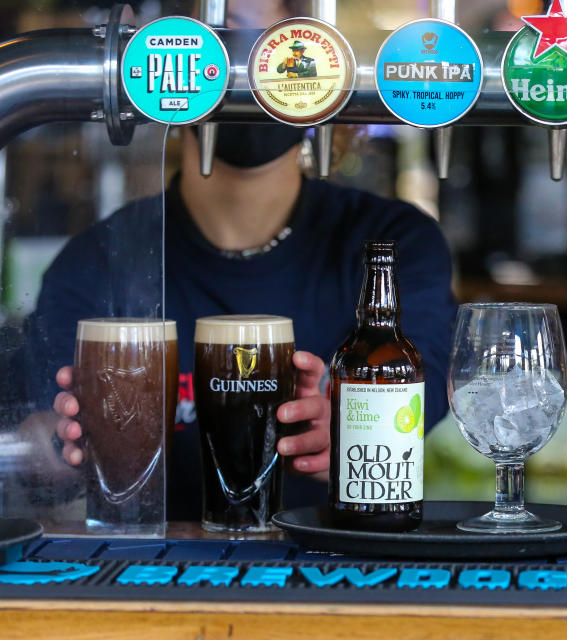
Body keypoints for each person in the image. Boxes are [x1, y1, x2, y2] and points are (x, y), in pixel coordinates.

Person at [27, 2, 456, 521]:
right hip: (154, 567)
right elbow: (33, 433)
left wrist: (347, 433)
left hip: (330, 557)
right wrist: (60, 450)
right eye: (222, 41)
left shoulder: (388, 246)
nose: (243, 69)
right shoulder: (100, 256)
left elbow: (425, 388)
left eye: (266, 43)